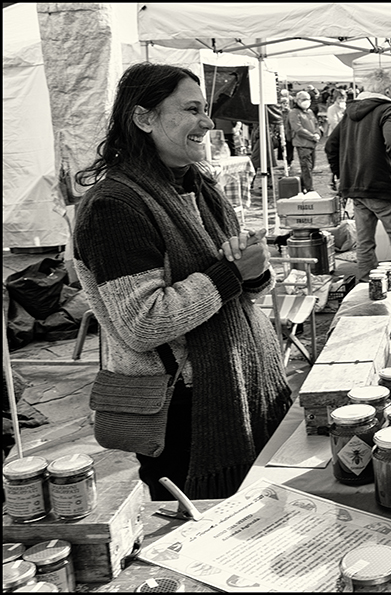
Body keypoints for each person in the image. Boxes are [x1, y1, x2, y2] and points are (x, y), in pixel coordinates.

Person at [72, 62, 293, 501]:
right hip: (184, 409)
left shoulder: (198, 187)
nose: (208, 122)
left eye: (206, 109)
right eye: (192, 109)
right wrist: (232, 273)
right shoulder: (114, 207)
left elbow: (243, 290)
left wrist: (254, 269)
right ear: (144, 118)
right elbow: (143, 322)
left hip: (239, 382)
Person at [325, 69, 391, 283]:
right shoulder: (388, 109)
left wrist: (342, 173)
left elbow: (330, 146)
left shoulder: (351, 111)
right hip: (384, 185)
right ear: (387, 89)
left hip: (356, 187)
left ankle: (366, 285)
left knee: (364, 242)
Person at [289, 90, 320, 192]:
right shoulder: (294, 113)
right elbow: (297, 128)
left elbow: (316, 125)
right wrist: (312, 136)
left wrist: (317, 134)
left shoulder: (310, 112)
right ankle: (309, 188)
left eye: (308, 99)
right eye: (304, 99)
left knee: (311, 167)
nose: (306, 101)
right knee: (306, 167)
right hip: (302, 144)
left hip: (312, 143)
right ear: (297, 100)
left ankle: (302, 186)